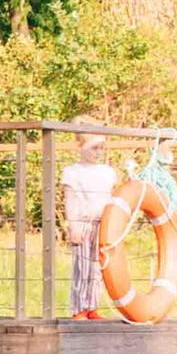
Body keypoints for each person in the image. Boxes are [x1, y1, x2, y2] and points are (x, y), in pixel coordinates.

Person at [55, 123, 121, 318]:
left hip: (104, 224)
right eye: (94, 147)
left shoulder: (108, 172)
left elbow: (113, 198)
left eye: (101, 147)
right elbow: (71, 200)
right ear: (79, 146)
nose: (98, 152)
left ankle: (92, 306)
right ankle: (78, 309)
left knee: (97, 267)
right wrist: (73, 226)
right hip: (83, 224)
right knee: (82, 267)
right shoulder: (73, 172)